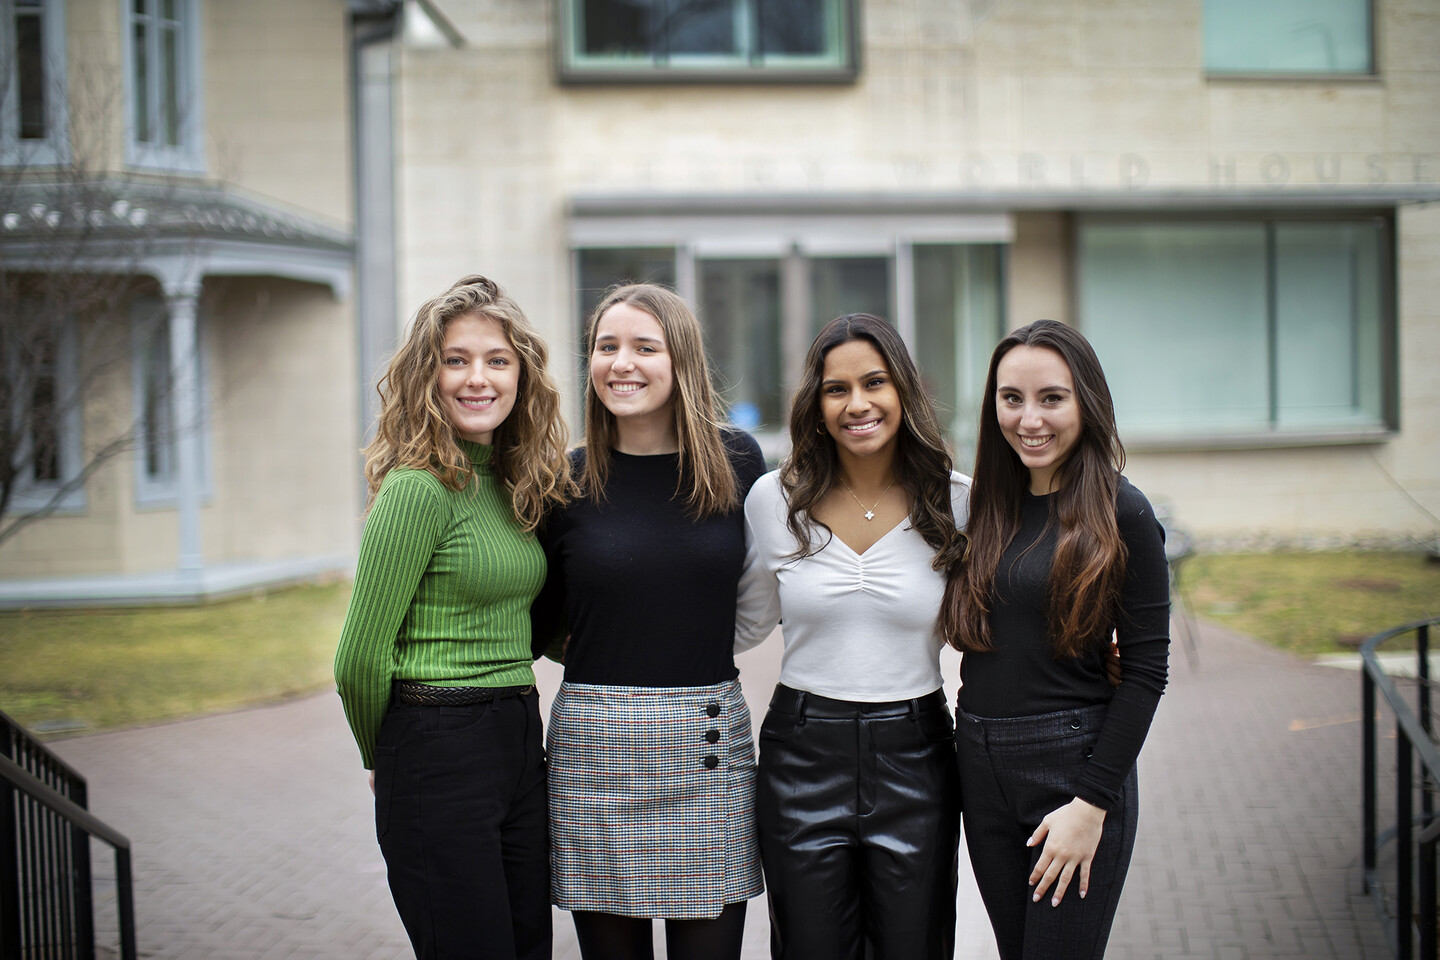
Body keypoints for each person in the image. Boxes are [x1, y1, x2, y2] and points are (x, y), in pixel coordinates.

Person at [333, 275, 572, 960]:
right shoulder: (417, 489)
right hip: (435, 743)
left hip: (518, 738)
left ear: (522, 375)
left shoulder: (512, 484)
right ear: (426, 376)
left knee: (529, 947)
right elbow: (358, 658)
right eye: (456, 359)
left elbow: (522, 623)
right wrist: (384, 757)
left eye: (497, 360)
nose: (478, 379)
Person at [533, 283, 766, 960]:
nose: (621, 363)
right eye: (607, 346)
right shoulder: (564, 481)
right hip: (593, 755)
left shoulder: (738, 463)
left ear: (682, 360)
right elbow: (539, 617)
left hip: (707, 748)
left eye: (644, 346)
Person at [735, 313, 968, 960]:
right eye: (837, 389)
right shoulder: (771, 501)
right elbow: (744, 624)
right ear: (816, 403)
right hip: (802, 753)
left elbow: (1007, 613)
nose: (857, 404)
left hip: (917, 755)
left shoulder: (960, 504)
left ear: (904, 393)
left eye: (875, 383)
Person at [939, 319, 1170, 960]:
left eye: (1051, 398)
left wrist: (1091, 804)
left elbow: (1148, 671)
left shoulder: (1123, 510)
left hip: (1072, 771)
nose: (1029, 419)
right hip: (979, 763)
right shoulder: (985, 506)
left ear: (1085, 403)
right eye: (1011, 399)